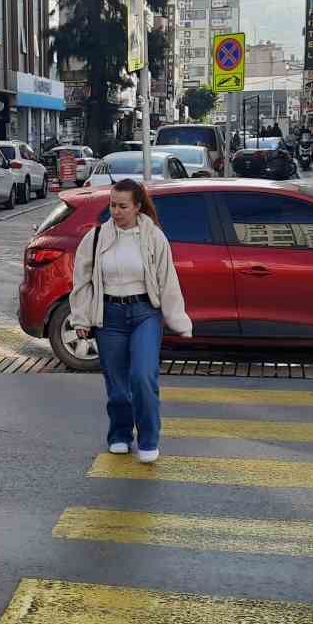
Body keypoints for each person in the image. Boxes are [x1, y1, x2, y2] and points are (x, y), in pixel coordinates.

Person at [68, 179, 192, 464]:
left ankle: (149, 439)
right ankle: (120, 435)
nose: (116, 211)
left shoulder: (153, 237)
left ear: (138, 206)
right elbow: (82, 282)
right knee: (117, 384)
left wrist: (178, 318)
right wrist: (81, 318)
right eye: (112, 205)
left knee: (143, 376)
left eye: (123, 206)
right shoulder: (96, 237)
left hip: (144, 313)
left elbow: (167, 279)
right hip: (108, 317)